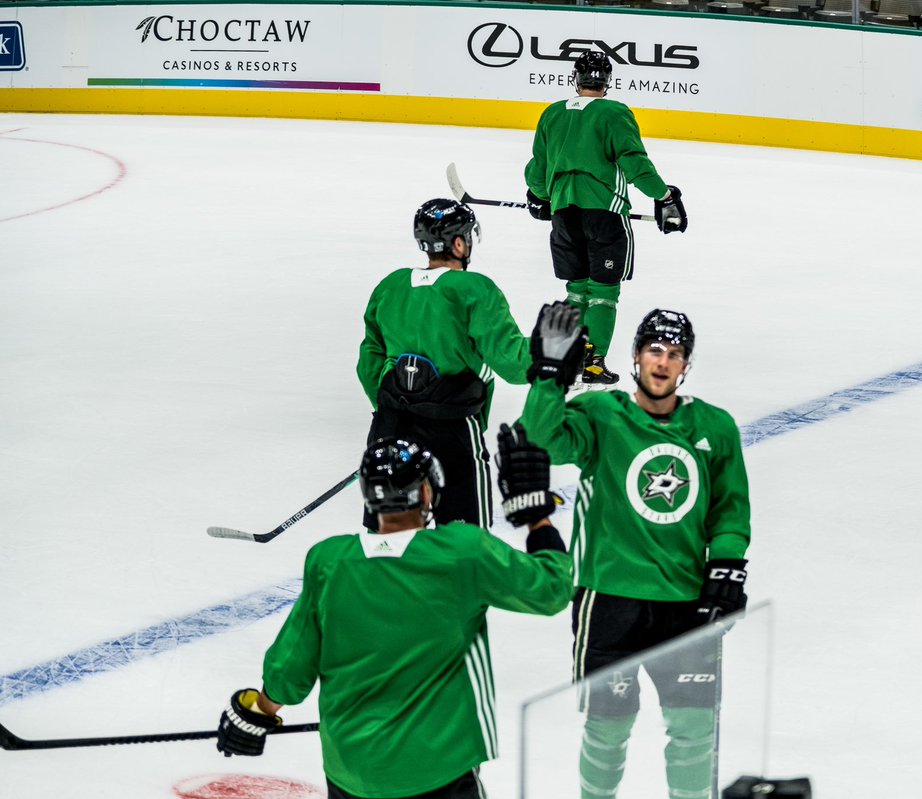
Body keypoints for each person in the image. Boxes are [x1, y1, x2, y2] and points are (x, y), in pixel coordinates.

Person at [215, 426, 573, 799]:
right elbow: (551, 590)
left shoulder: (329, 561)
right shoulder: (463, 551)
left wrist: (258, 710)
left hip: (351, 772)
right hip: (438, 768)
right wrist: (537, 517)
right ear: (426, 492)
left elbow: (290, 668)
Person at [519, 303, 750, 799]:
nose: (663, 362)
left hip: (686, 603)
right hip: (609, 601)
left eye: (674, 353)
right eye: (654, 350)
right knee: (606, 735)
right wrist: (548, 378)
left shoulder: (716, 426)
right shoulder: (603, 413)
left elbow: (730, 512)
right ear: (636, 356)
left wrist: (728, 568)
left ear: (686, 365)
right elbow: (541, 440)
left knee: (693, 736)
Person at [356, 197, 531, 530]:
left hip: (392, 430)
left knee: (389, 543)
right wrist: (551, 356)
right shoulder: (475, 289)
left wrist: (401, 405)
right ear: (460, 242)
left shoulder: (390, 285)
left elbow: (369, 363)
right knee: (466, 542)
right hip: (453, 431)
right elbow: (513, 363)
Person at [523, 52, 688, 386]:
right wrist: (664, 196)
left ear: (576, 78)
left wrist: (541, 197)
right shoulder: (615, 113)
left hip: (564, 214)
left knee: (576, 289)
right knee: (603, 293)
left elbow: (537, 168)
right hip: (604, 213)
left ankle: (569, 357)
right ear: (607, 81)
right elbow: (634, 163)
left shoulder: (552, 113)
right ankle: (594, 363)